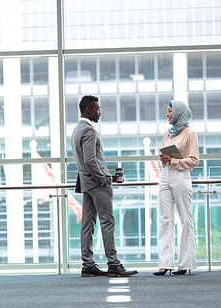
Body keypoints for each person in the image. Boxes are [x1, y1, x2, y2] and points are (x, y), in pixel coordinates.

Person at [71, 95, 138, 277]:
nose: (100, 112)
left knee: (87, 224)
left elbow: (85, 162)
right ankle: (114, 265)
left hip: (86, 183)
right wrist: (104, 179)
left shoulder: (77, 129)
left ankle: (88, 264)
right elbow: (91, 160)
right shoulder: (89, 131)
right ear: (88, 110)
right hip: (96, 184)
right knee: (107, 222)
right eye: (97, 109)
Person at [154, 100, 199, 276]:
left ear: (179, 112)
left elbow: (194, 160)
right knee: (165, 219)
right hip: (165, 174)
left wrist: (173, 160)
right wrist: (164, 159)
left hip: (180, 175)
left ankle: (185, 263)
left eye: (170, 111)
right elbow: (166, 155)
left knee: (185, 219)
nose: (167, 115)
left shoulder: (190, 134)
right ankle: (165, 264)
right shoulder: (168, 133)